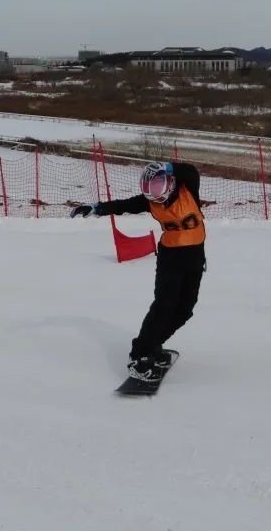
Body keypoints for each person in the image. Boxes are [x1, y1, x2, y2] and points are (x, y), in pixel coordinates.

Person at [70, 161, 206, 383]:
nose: (155, 199)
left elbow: (190, 170)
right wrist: (96, 208)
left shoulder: (187, 188)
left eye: (158, 194)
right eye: (151, 195)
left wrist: (166, 166)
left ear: (170, 184)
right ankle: (139, 355)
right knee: (164, 305)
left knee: (185, 309)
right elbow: (123, 205)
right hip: (170, 258)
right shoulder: (150, 201)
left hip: (195, 257)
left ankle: (152, 346)